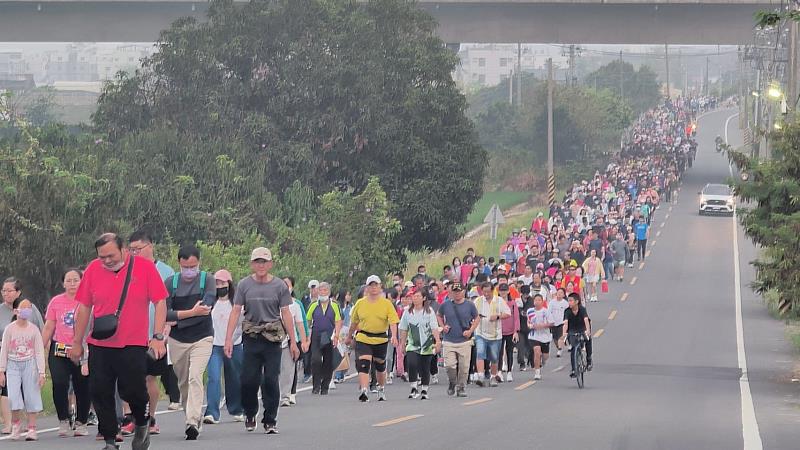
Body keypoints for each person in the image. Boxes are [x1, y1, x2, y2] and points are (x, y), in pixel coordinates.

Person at [68, 232, 169, 450]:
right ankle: (110, 439)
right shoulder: (94, 269)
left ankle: (142, 423)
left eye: (111, 255)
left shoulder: (144, 268)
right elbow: (84, 307)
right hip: (100, 343)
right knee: (99, 391)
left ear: (123, 250)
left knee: (133, 391)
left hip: (133, 343)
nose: (106, 260)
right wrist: (77, 342)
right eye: (102, 256)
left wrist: (158, 336)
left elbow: (160, 302)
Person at [224, 247, 298, 434]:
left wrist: (293, 341)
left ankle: (270, 419)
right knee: (248, 380)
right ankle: (250, 412)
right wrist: (228, 339)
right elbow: (236, 311)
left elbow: (286, 313)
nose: (261, 265)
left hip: (273, 338)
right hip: (252, 337)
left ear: (271, 264)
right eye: (257, 261)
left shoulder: (279, 286)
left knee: (271, 380)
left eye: (264, 261)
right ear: (252, 264)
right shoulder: (244, 285)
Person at [128, 230, 181, 431]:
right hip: (132, 333)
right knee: (130, 376)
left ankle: (150, 417)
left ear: (150, 246)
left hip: (155, 335)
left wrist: (164, 331)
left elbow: (169, 302)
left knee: (150, 377)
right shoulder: (127, 269)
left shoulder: (165, 271)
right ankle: (130, 417)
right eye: (131, 250)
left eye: (138, 249)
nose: (134, 253)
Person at [163, 244, 217, 440]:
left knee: (195, 376)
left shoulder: (207, 280)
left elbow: (206, 308)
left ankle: (192, 421)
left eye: (193, 266)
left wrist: (178, 317)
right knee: (184, 382)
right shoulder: (171, 283)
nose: (189, 270)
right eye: (186, 266)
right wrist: (190, 313)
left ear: (199, 263)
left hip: (202, 337)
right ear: (179, 263)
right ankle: (191, 414)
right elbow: (164, 313)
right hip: (177, 340)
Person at [41, 268, 91, 437]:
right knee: (60, 384)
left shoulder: (87, 301)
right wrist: (40, 347)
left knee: (82, 386)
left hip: (81, 349)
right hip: (59, 348)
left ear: (82, 281)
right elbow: (49, 326)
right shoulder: (56, 302)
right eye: (68, 280)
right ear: (63, 283)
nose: (72, 284)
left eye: (75, 280)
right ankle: (63, 419)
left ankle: (81, 421)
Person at [345, 275, 399, 402]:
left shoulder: (387, 304)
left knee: (380, 366)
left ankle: (381, 388)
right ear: (367, 288)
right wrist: (349, 336)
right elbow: (354, 322)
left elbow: (393, 322)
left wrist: (394, 336)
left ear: (380, 287)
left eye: (376, 285)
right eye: (371, 285)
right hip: (364, 337)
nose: (374, 288)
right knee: (364, 363)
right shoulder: (360, 303)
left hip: (380, 338)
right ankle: (364, 390)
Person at [0, 299, 46, 441]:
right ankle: (16, 426)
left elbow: (39, 351)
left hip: (29, 364)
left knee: (31, 396)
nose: (26, 310)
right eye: (23, 307)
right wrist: (2, 370)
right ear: (16, 311)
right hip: (13, 364)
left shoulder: (34, 329)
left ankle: (32, 428)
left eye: (28, 308)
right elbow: (4, 350)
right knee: (13, 397)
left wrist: (41, 372)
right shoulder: (10, 329)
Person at [203, 270, 245, 424]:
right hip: (214, 346)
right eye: (217, 283)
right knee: (213, 377)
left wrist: (231, 340)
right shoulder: (210, 304)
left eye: (223, 283)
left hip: (234, 345)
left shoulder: (236, 304)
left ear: (229, 284)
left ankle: (236, 409)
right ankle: (212, 412)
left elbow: (241, 325)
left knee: (234, 378)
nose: (220, 286)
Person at [398, 290, 441, 400]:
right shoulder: (407, 312)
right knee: (412, 363)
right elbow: (403, 328)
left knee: (425, 367)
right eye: (414, 296)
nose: (415, 298)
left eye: (418, 296)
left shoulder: (429, 311)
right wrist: (402, 343)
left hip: (427, 344)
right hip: (413, 344)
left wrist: (437, 341)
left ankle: (424, 389)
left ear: (424, 298)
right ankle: (413, 387)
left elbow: (434, 327)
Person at [437, 282, 477, 397]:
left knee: (464, 367)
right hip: (449, 340)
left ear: (463, 292)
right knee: (449, 365)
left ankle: (461, 387)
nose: (457, 294)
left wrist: (470, 330)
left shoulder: (469, 305)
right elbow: (439, 315)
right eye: (455, 292)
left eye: (459, 292)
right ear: (451, 293)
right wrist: (443, 326)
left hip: (464, 341)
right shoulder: (446, 305)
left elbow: (477, 317)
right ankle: (452, 382)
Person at [305, 282, 341, 395]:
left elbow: (338, 321)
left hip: (329, 335)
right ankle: (315, 386)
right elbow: (308, 320)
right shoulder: (313, 305)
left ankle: (325, 386)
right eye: (321, 290)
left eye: (325, 290)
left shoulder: (334, 305)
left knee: (328, 361)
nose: (323, 292)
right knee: (315, 359)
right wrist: (307, 336)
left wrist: (337, 335)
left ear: (329, 292)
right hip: (316, 334)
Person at [473, 282, 510, 387]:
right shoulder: (478, 301)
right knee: (480, 352)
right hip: (480, 332)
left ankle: (493, 377)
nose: (486, 294)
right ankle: (480, 376)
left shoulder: (499, 301)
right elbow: (472, 313)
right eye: (484, 291)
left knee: (494, 357)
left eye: (488, 292)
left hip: (495, 334)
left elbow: (508, 313)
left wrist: (497, 316)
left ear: (493, 291)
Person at [279, 277, 308, 406]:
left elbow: (301, 324)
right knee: (272, 371)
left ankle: (286, 395)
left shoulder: (295, 305)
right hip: (272, 342)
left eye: (287, 285)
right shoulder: (272, 302)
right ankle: (272, 394)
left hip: (290, 341)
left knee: (288, 369)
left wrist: (303, 341)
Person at [561, 293, 593, 378]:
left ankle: (589, 359)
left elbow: (586, 320)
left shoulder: (582, 309)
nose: (569, 302)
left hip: (582, 328)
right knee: (573, 348)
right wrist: (564, 334)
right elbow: (565, 323)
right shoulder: (567, 311)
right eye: (569, 301)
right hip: (572, 329)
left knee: (588, 340)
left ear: (576, 301)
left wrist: (588, 331)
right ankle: (574, 369)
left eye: (571, 301)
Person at [526, 294, 554, 380]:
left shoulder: (546, 311)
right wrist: (530, 326)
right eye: (536, 300)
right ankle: (537, 372)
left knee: (545, 355)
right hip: (534, 335)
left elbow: (551, 323)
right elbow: (528, 321)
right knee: (537, 351)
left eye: (539, 300)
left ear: (542, 301)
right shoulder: (530, 311)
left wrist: (543, 325)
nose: (537, 302)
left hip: (545, 336)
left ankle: (543, 361)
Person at [498, 284, 519, 382]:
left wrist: (516, 331)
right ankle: (499, 372)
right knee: (499, 352)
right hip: (499, 331)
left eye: (504, 290)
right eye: (501, 290)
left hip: (510, 331)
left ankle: (509, 372)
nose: (503, 292)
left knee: (509, 351)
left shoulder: (512, 303)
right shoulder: (496, 302)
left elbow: (516, 318)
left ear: (508, 291)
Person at [547, 288, 569, 358]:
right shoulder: (552, 302)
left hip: (561, 322)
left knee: (560, 337)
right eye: (558, 292)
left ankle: (560, 349)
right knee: (555, 338)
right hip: (553, 323)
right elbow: (548, 312)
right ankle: (559, 346)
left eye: (561, 293)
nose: (559, 294)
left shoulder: (565, 303)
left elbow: (568, 313)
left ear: (563, 294)